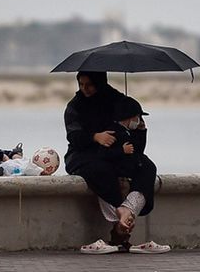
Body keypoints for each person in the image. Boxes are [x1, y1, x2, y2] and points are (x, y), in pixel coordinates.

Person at [64, 71, 167, 254]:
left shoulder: (118, 100)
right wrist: (95, 137)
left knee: (147, 167)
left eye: (89, 84)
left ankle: (128, 211)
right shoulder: (75, 106)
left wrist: (140, 131)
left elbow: (136, 140)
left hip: (120, 152)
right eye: (81, 84)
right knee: (101, 171)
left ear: (100, 82)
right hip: (84, 155)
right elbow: (74, 136)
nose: (84, 89)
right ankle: (120, 218)